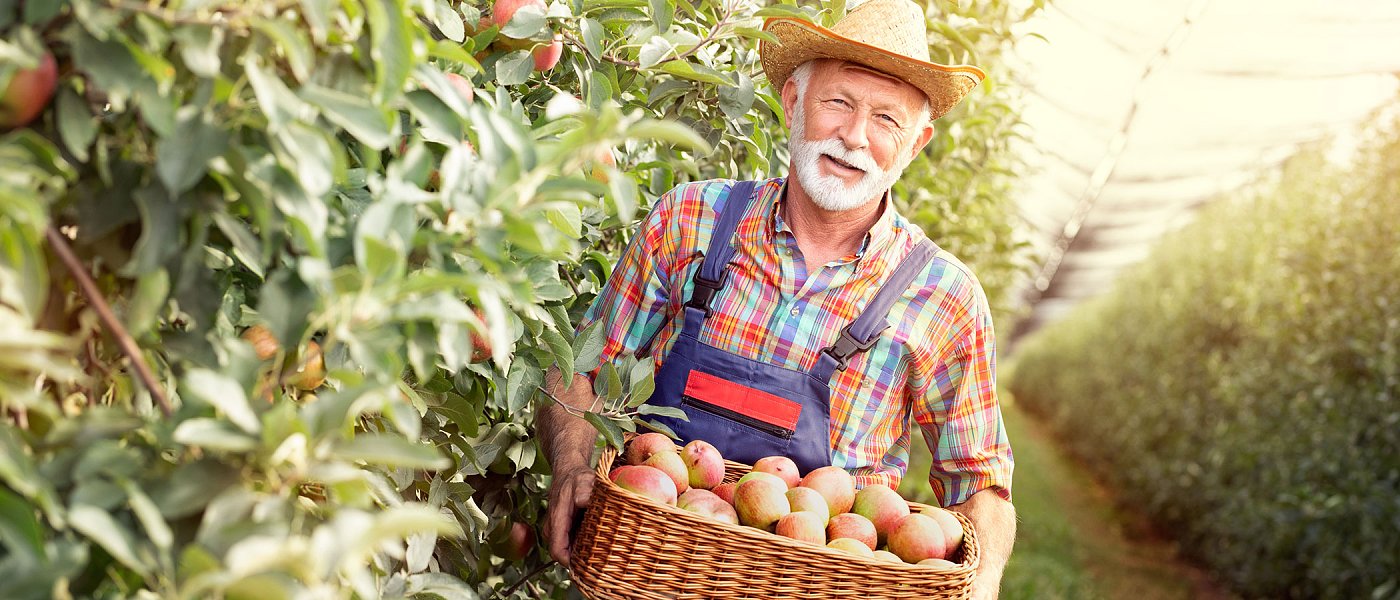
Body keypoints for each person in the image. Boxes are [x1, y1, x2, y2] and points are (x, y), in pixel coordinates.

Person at [537, 0, 1015, 597]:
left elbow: (979, 481)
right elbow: (581, 366)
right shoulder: (693, 219)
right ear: (793, 101)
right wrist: (572, 466)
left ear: (916, 144)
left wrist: (985, 576)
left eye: (887, 119)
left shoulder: (946, 298)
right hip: (649, 566)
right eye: (837, 102)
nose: (854, 136)